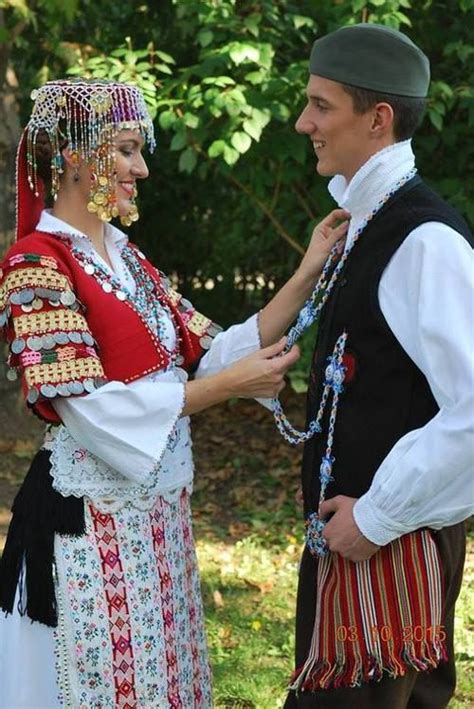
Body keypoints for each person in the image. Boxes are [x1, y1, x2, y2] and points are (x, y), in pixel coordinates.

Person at [0, 78, 348, 708]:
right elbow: (89, 407)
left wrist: (308, 270)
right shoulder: (36, 264)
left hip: (158, 518)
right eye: (128, 150)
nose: (142, 168)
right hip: (90, 524)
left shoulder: (128, 258)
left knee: (164, 681)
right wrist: (225, 388)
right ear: (77, 156)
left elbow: (210, 349)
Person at [280, 23, 474, 708]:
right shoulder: (367, 220)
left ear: (379, 119)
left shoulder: (425, 240)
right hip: (356, 539)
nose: (304, 122)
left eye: (322, 106)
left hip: (389, 547)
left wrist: (380, 514)